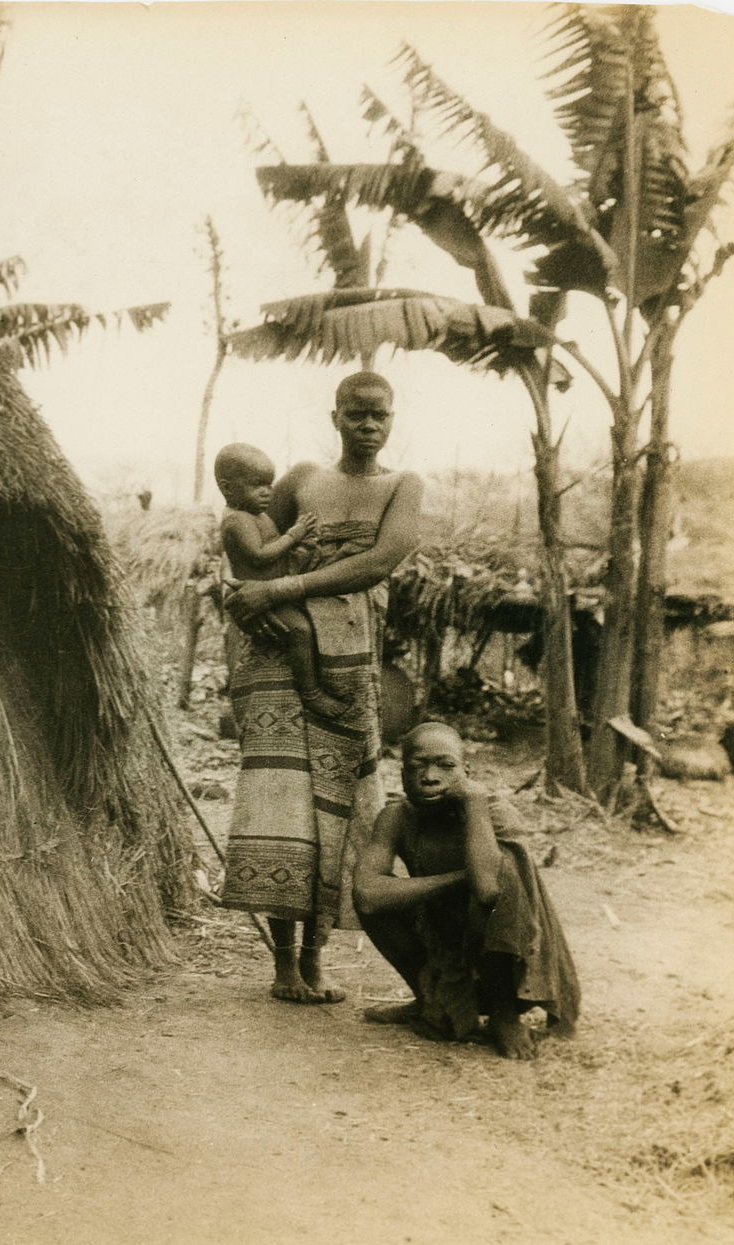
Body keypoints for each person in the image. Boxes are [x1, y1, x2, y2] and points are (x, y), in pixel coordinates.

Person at [220, 371, 423, 1005]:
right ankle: (283, 965)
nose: (368, 425)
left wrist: (279, 591)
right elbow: (246, 547)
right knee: (279, 801)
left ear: (392, 420)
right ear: (335, 416)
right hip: (276, 654)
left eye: (380, 415)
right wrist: (246, 607)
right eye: (357, 414)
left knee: (341, 801)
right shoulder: (303, 478)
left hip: (350, 656)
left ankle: (316, 959)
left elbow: (381, 559)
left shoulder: (401, 485)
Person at [354, 722, 581, 1059]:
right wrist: (458, 879)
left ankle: (503, 1014)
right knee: (380, 903)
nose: (430, 777)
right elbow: (367, 893)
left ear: (467, 771)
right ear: (401, 774)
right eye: (417, 766)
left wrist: (473, 800)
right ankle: (428, 997)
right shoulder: (396, 818)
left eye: (446, 766)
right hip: (444, 941)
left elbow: (490, 890)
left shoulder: (494, 812)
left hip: (509, 957)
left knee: (501, 886)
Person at [213, 442, 346, 719]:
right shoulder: (237, 521)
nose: (267, 492)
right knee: (301, 631)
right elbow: (260, 555)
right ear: (227, 488)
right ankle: (311, 693)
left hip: (276, 585)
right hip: (263, 601)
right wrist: (293, 537)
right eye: (257, 486)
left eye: (269, 485)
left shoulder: (254, 514)